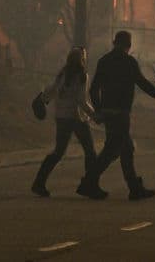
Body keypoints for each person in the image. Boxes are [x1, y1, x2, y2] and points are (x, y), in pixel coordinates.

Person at [76, 30, 155, 201]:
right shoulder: (129, 62)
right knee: (112, 151)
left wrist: (99, 110)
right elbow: (143, 83)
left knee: (125, 149)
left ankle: (133, 187)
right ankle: (89, 182)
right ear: (129, 45)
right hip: (121, 113)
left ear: (115, 42)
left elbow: (93, 88)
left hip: (108, 113)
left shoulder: (104, 61)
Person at [31, 46, 98, 197]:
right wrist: (94, 115)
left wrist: (42, 99)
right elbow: (81, 100)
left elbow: (53, 89)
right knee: (90, 152)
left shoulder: (63, 73)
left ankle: (39, 182)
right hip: (76, 118)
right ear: (82, 59)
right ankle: (90, 185)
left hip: (61, 117)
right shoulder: (82, 76)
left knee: (58, 152)